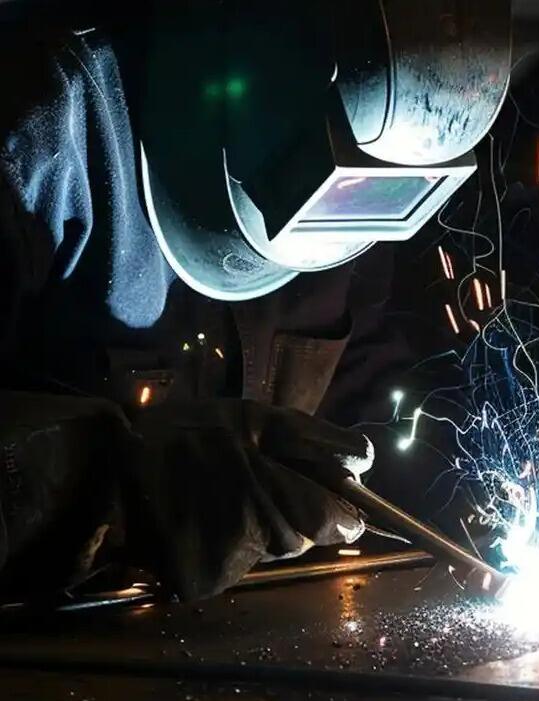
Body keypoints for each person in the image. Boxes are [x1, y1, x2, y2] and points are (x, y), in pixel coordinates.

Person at [0, 1, 510, 600]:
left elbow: (365, 386)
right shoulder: (41, 122)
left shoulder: (372, 163)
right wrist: (125, 490)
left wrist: (445, 488)